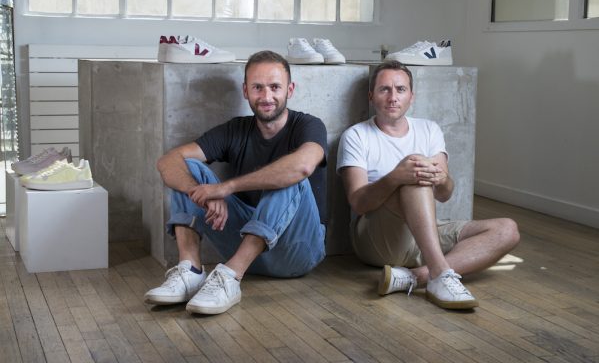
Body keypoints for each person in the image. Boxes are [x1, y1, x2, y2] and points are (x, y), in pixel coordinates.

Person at [145, 50, 327, 315]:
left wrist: (225, 188)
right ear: (245, 90)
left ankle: (230, 278)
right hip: (245, 247)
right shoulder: (236, 130)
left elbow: (302, 166)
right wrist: (204, 193)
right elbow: (168, 162)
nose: (266, 97)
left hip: (297, 252)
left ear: (290, 89)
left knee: (290, 176)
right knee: (189, 167)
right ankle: (191, 271)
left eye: (275, 87)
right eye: (257, 87)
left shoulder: (309, 125)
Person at [336, 60, 519, 310]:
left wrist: (443, 179)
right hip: (377, 239)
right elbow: (357, 202)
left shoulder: (429, 129)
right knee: (414, 174)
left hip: (424, 234)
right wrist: (396, 177)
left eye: (400, 89)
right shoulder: (356, 135)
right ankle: (442, 274)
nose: (393, 97)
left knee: (507, 230)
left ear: (411, 96)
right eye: (384, 89)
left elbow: (444, 194)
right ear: (371, 96)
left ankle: (416, 277)